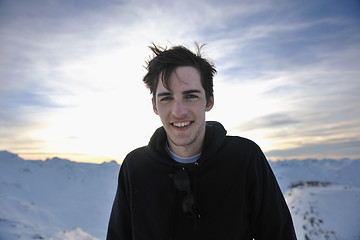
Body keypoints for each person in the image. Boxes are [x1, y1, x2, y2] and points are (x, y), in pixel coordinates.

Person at [106, 43, 297, 240]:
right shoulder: (135, 166)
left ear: (209, 101)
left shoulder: (244, 157)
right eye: (166, 98)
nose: (178, 111)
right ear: (154, 106)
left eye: (190, 96)